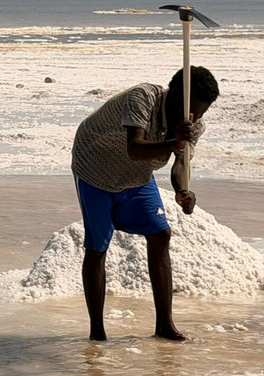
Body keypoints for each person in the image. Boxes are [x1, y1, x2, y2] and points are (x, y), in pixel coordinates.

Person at [71, 66, 219, 341]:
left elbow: (182, 162)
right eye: (194, 109)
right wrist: (176, 140)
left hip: (136, 176)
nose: (196, 117)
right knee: (98, 246)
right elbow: (135, 148)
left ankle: (165, 325)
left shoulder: (193, 125)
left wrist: (184, 190)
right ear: (175, 94)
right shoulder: (143, 98)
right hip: (95, 167)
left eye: (202, 113)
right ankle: (97, 333)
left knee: (160, 233)